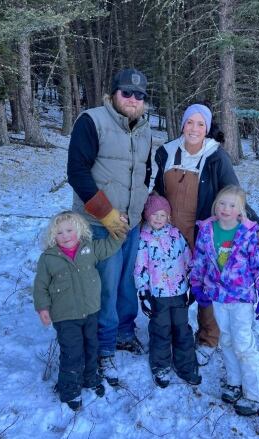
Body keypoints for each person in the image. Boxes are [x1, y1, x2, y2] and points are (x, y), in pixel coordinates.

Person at [152, 103, 259, 366]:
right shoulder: (166, 152)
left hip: (203, 234)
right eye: (189, 122)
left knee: (207, 283)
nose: (194, 128)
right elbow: (157, 192)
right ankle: (175, 332)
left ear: (207, 128)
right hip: (170, 234)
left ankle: (208, 337)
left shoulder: (216, 156)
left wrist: (257, 225)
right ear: (182, 124)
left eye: (200, 124)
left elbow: (233, 193)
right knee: (172, 284)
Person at [66, 68, 153, 386]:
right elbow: (77, 171)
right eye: (127, 93)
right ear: (114, 93)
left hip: (131, 223)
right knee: (105, 284)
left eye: (139, 95)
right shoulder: (92, 121)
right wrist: (107, 215)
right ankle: (103, 348)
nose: (133, 99)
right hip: (100, 224)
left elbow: (145, 172)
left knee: (127, 282)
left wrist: (140, 211)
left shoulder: (145, 129)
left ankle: (125, 333)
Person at [189, 186, 259, 416]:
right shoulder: (207, 230)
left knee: (243, 343)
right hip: (217, 297)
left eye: (232, 205)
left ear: (241, 210)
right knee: (225, 340)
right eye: (222, 203)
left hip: (241, 298)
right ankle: (234, 382)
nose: (226, 209)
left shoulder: (247, 233)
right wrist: (197, 284)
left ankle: (256, 394)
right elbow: (200, 261)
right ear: (216, 205)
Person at [32, 211, 125, 410]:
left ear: (79, 230)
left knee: (91, 346)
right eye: (59, 233)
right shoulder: (48, 259)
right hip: (65, 316)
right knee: (72, 352)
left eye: (69, 230)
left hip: (90, 311)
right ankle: (69, 389)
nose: (65, 236)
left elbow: (110, 245)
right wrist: (43, 308)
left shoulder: (89, 249)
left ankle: (91, 378)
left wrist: (120, 229)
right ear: (52, 237)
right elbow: (40, 286)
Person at [134, 194, 201, 388]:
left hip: (179, 292)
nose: (158, 218)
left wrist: (194, 284)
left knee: (182, 329)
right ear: (147, 216)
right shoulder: (144, 239)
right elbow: (140, 267)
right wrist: (143, 293)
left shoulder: (176, 235)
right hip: (158, 295)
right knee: (161, 329)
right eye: (154, 214)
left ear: (168, 217)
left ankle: (186, 365)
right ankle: (160, 365)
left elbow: (188, 259)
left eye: (162, 215)